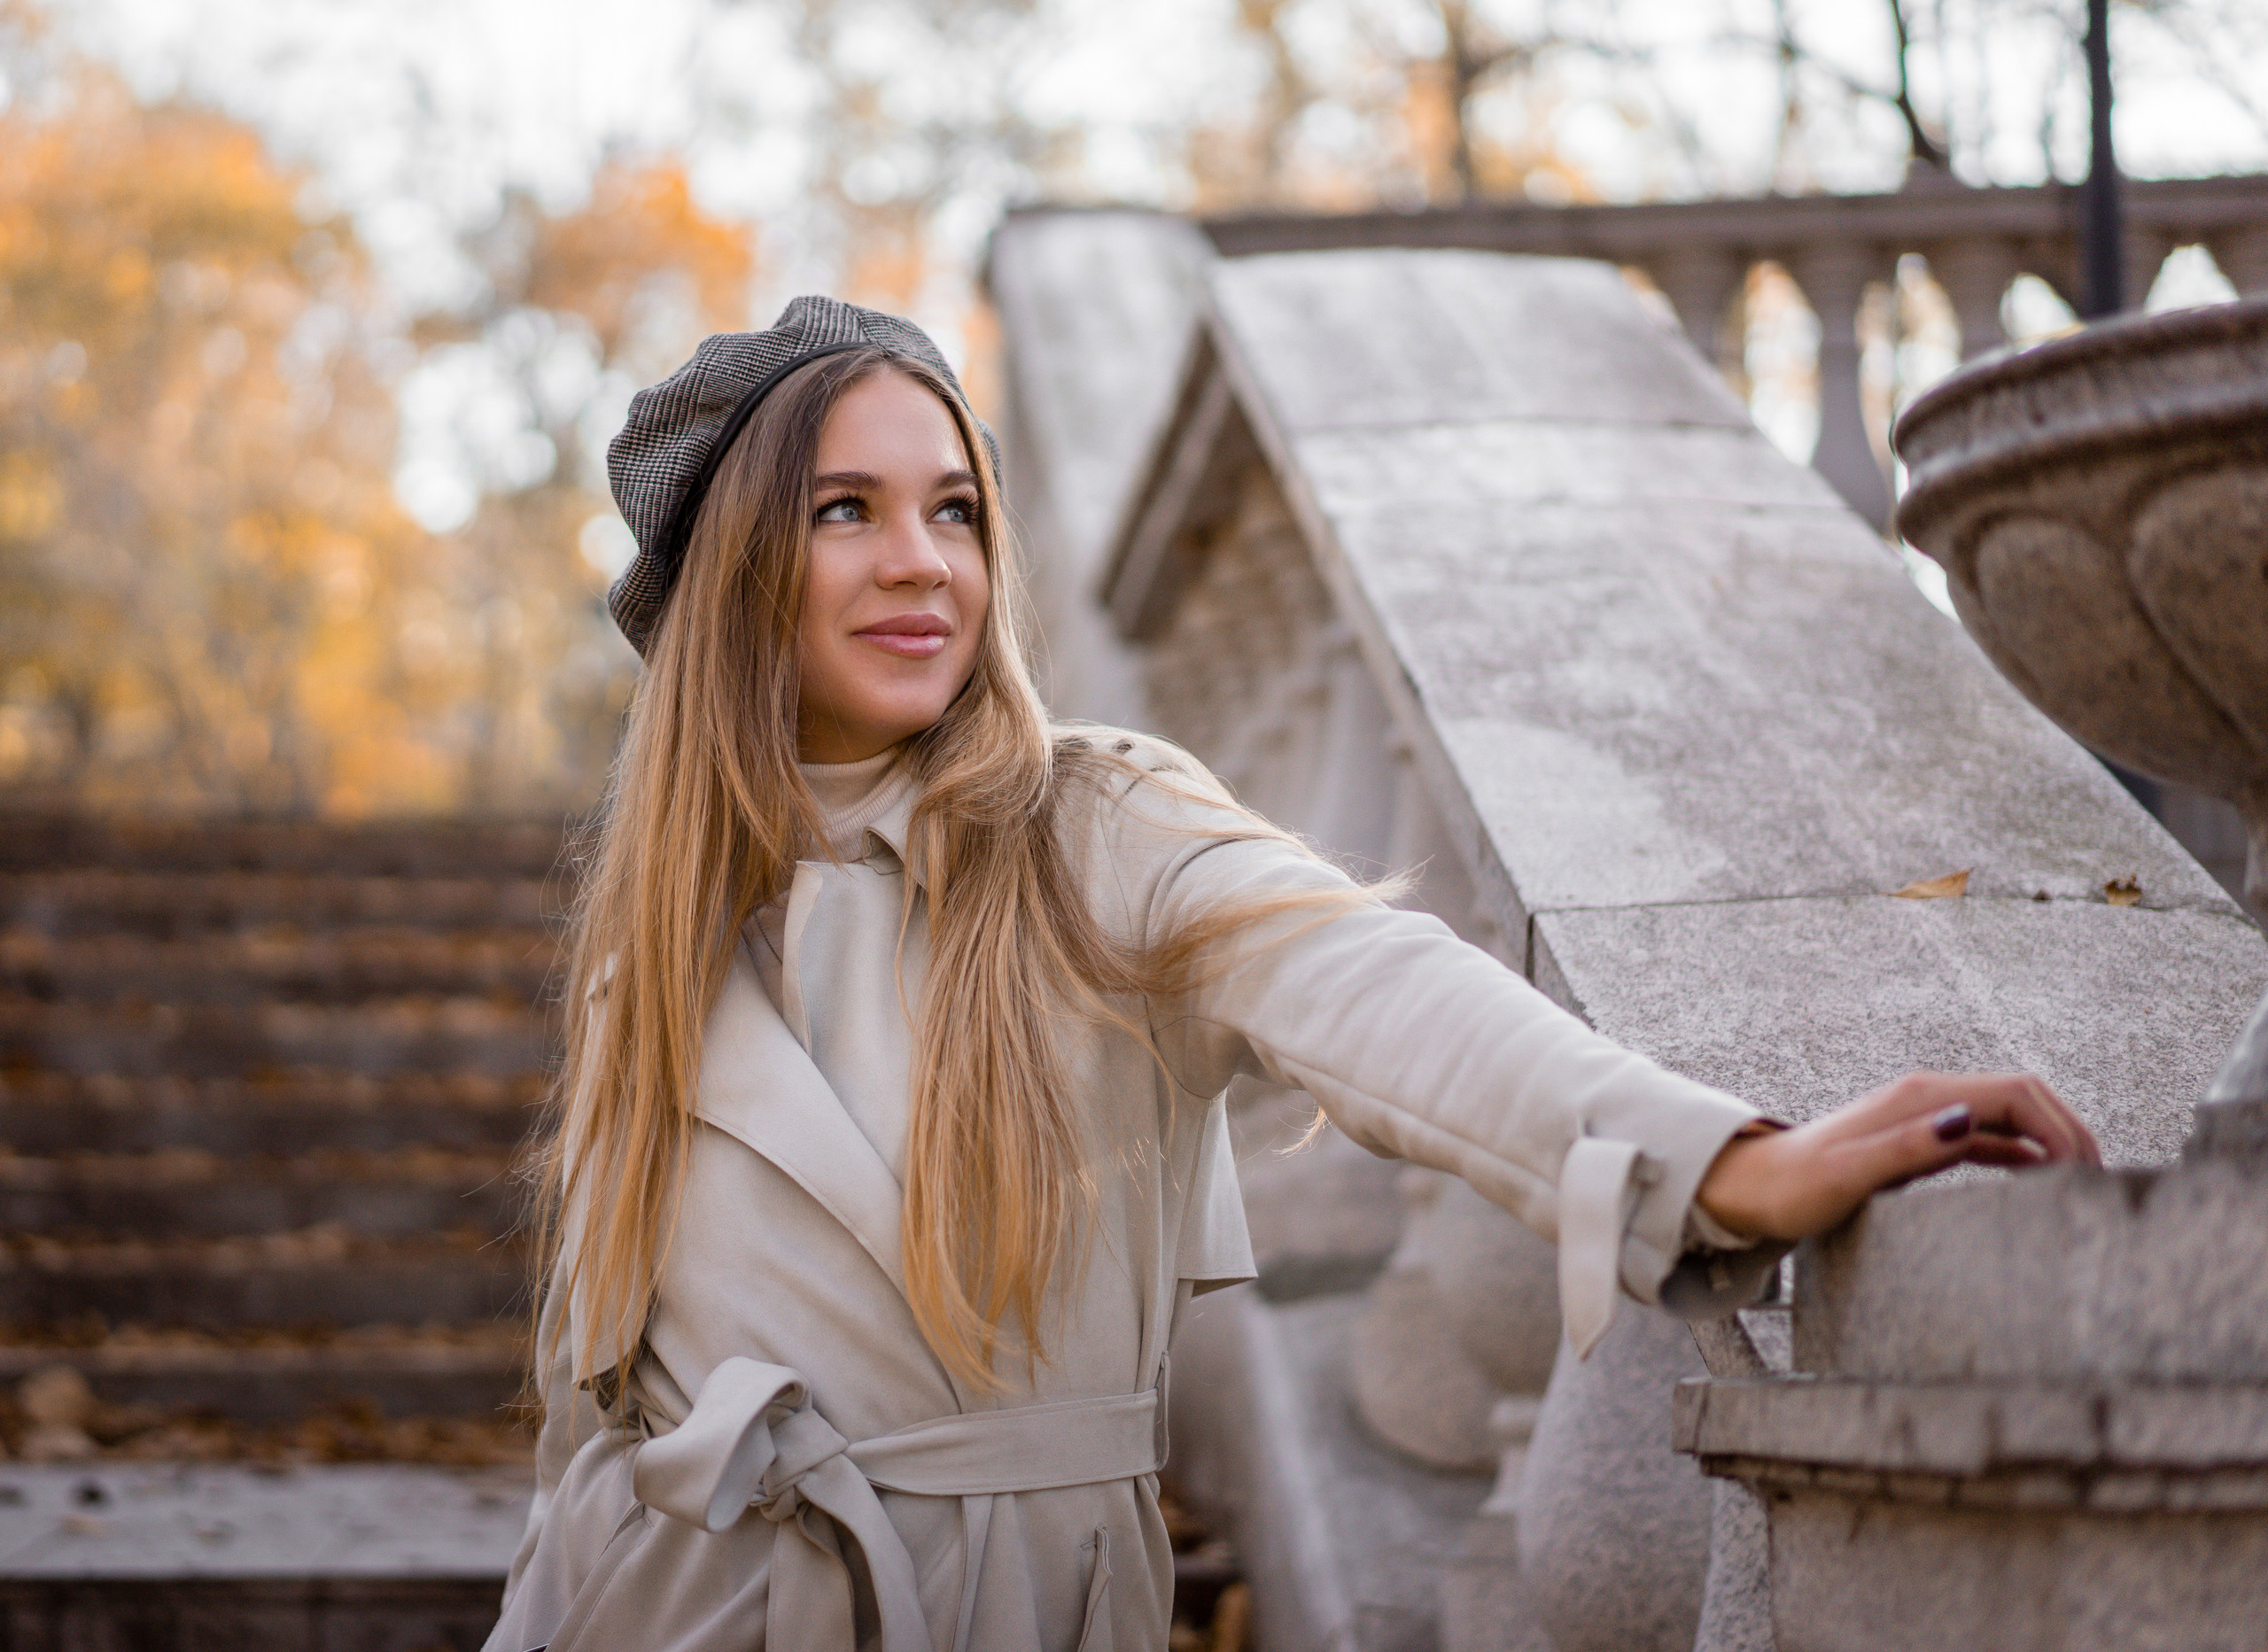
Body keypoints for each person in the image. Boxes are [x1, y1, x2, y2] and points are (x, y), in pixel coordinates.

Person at [485, 299, 2098, 1652]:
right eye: (847, 510)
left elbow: (1374, 984)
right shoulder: (665, 934)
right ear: (732, 577)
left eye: (954, 507)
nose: (923, 561)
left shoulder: (1090, 823)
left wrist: (1722, 1161)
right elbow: (596, 1417)